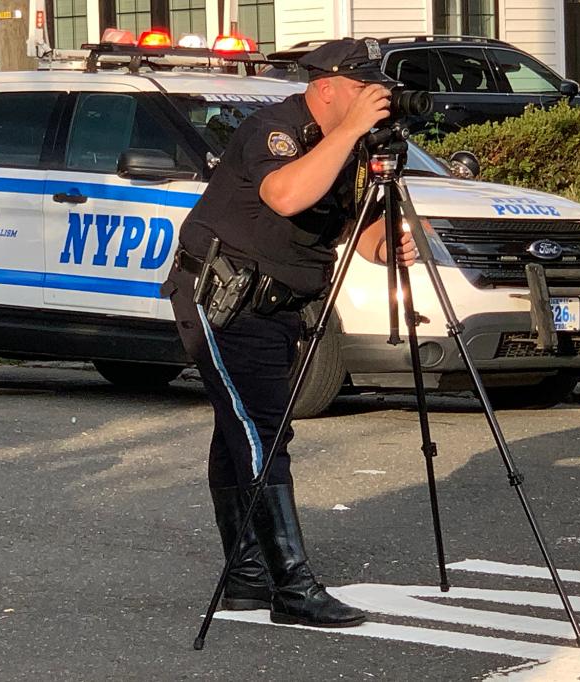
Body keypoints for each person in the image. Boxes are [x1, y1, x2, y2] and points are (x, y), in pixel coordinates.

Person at [162, 38, 417, 628]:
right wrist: (349, 132)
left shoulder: (348, 145)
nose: (375, 100)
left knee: (242, 432)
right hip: (225, 299)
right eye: (363, 89)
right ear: (326, 86)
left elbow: (355, 226)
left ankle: (247, 578)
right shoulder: (274, 130)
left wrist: (392, 238)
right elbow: (286, 194)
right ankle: (292, 586)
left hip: (283, 304)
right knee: (262, 435)